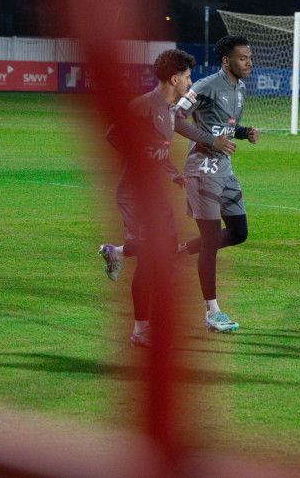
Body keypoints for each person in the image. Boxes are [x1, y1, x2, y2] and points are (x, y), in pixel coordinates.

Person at [97, 49, 234, 347]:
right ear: (174, 78)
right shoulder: (145, 105)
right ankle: (141, 330)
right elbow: (113, 134)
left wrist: (172, 173)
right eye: (187, 76)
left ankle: (116, 253)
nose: (190, 80)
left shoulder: (169, 111)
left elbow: (156, 150)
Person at [173, 35, 259, 332]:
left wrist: (243, 132)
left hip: (225, 172)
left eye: (249, 57)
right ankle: (212, 312)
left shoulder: (241, 88)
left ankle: (177, 252)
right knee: (210, 241)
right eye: (243, 58)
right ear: (226, 61)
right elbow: (175, 117)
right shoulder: (205, 85)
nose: (249, 62)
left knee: (238, 233)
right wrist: (211, 140)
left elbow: (225, 127)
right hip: (201, 173)